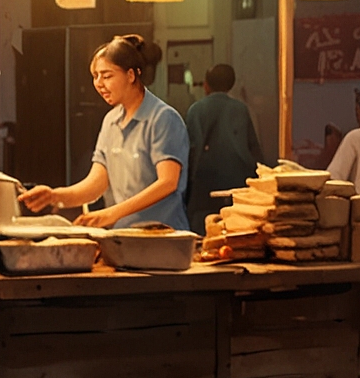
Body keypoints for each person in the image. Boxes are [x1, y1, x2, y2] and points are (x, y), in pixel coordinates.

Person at [19, 34, 189, 230]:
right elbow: (96, 184)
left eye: (107, 76)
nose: (99, 84)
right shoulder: (110, 121)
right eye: (95, 76)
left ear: (131, 75)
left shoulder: (163, 118)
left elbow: (168, 182)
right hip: (123, 237)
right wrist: (55, 196)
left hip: (164, 237)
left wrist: (111, 213)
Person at [183, 64, 263, 233]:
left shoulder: (196, 110)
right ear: (231, 84)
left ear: (206, 85)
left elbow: (191, 153)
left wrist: (186, 192)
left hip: (204, 189)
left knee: (204, 240)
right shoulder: (241, 109)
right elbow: (254, 152)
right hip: (237, 188)